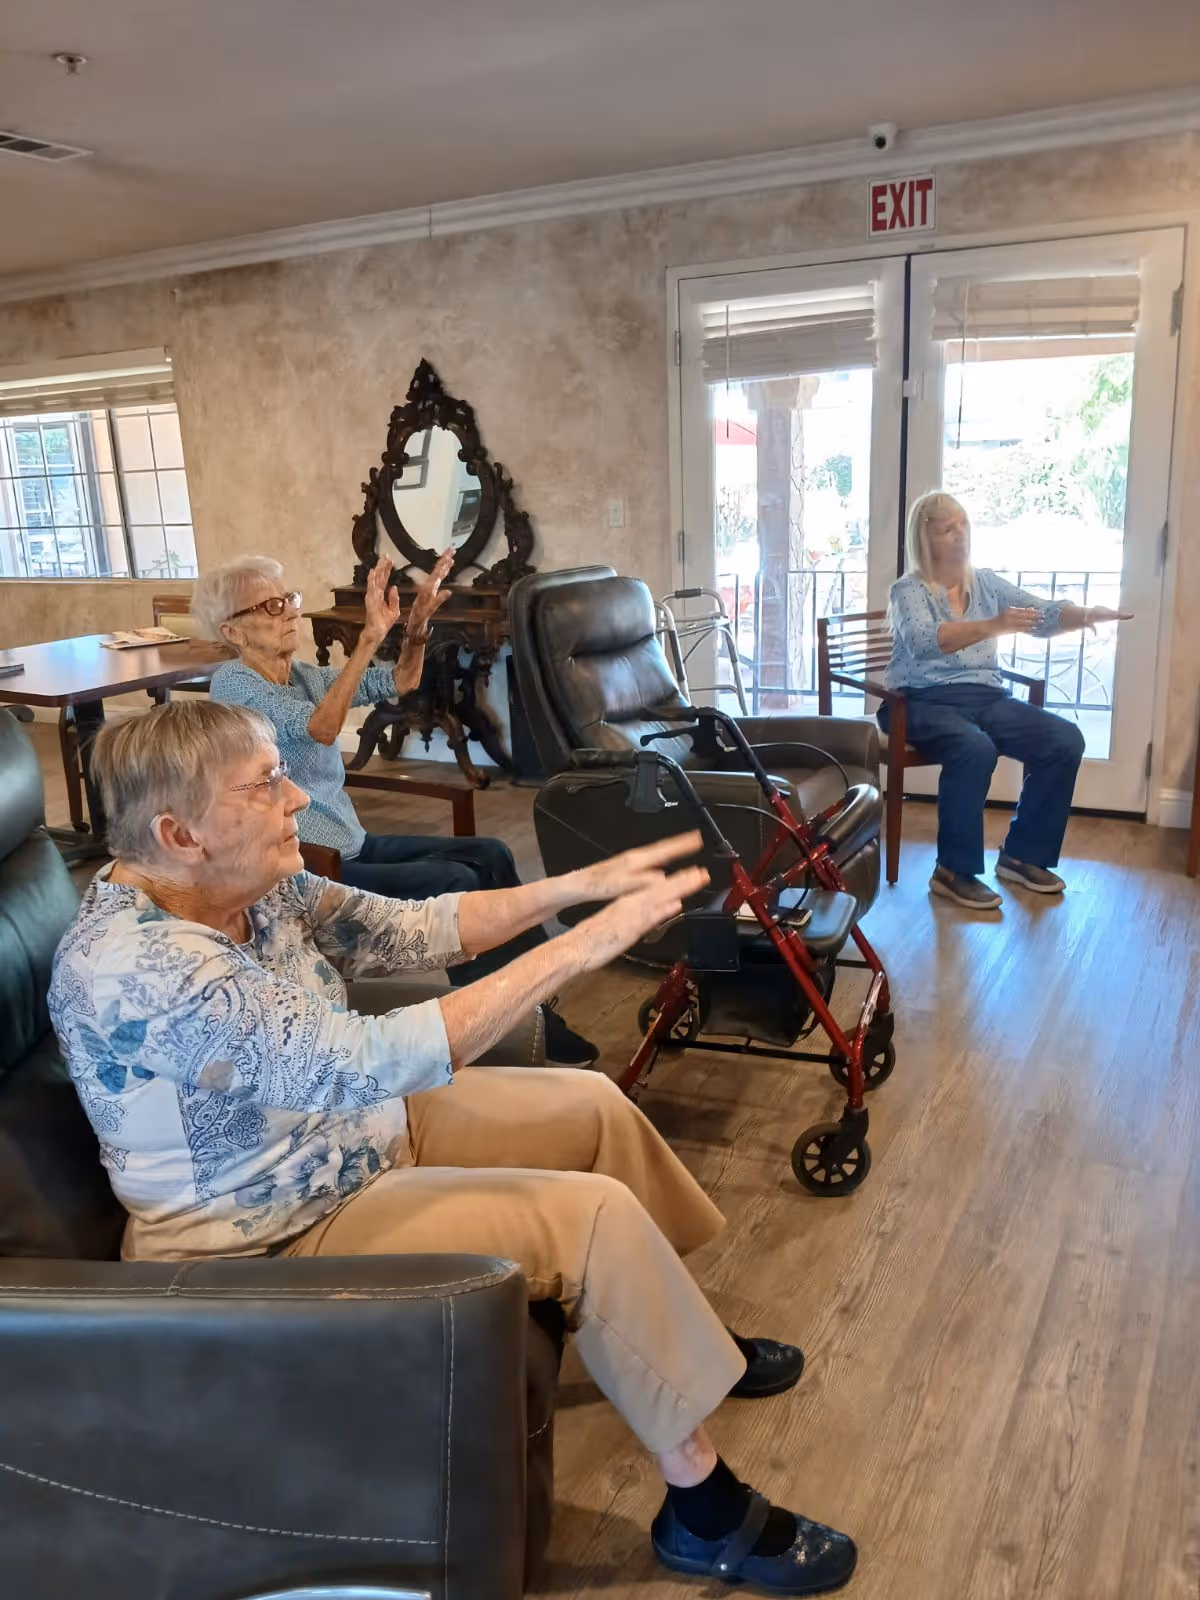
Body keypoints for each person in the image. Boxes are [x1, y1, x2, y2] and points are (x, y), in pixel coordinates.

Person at [48, 700, 857, 1596]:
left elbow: (409, 929)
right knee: (588, 1217)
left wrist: (573, 889)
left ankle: (684, 1338)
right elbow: (361, 1058)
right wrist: (577, 952)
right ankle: (704, 1514)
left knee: (591, 1106)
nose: (294, 798)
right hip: (265, 1229)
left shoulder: (248, 886)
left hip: (350, 1136)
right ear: (180, 832)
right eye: (267, 783)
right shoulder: (138, 968)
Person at [193, 551, 597, 1066]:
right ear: (234, 631)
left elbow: (399, 681)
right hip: (312, 865)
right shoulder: (235, 685)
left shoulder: (300, 676)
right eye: (271, 606)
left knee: (489, 853)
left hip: (351, 842)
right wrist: (366, 637)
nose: (290, 610)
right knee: (458, 884)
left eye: (288, 598)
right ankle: (506, 1022)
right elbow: (319, 726)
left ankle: (536, 988)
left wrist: (415, 629)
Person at [883, 491, 1132, 909]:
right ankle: (953, 870)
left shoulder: (984, 582)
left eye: (962, 524)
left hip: (984, 696)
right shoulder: (908, 590)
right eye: (947, 529)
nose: (959, 534)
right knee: (974, 747)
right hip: (919, 701)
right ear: (925, 539)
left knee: (1064, 740)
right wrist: (993, 625)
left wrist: (1085, 614)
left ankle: (1022, 855)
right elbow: (926, 642)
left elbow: (1041, 614)